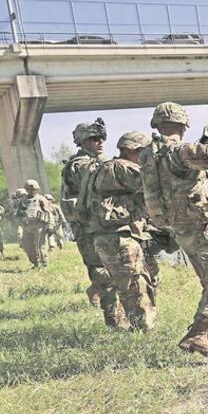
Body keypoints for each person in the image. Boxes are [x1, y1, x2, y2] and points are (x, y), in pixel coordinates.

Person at [142, 101, 208, 359]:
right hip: (197, 225)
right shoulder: (177, 150)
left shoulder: (149, 153)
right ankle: (198, 333)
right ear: (184, 125)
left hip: (177, 224)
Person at [82, 131, 157, 331]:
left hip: (114, 236)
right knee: (133, 286)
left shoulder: (105, 168)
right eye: (143, 152)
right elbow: (151, 182)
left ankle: (136, 327)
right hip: (119, 237)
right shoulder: (120, 168)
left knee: (132, 283)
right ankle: (143, 333)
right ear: (132, 150)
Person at [62, 118, 126, 329]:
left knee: (119, 270)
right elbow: (98, 178)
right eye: (93, 138)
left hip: (106, 225)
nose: (99, 142)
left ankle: (116, 307)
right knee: (102, 273)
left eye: (101, 138)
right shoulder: (78, 165)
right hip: (87, 228)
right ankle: (113, 322)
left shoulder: (100, 162)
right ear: (81, 141)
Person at [15, 180, 53, 267]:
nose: (32, 191)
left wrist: (50, 226)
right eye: (30, 189)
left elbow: (48, 213)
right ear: (26, 190)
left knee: (41, 246)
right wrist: (20, 215)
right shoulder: (22, 201)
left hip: (39, 225)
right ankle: (35, 262)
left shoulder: (41, 199)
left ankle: (44, 263)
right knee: (27, 245)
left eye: (34, 189)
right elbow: (17, 214)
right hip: (27, 226)